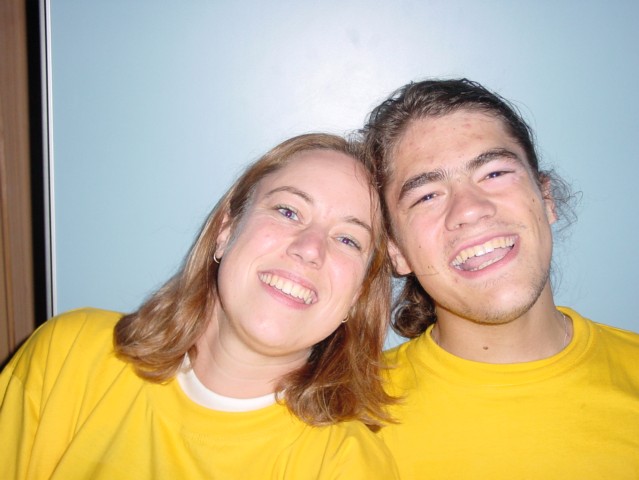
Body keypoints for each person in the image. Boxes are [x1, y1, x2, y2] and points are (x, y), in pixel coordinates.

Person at [0, 133, 399, 479]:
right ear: (226, 229)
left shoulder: (348, 465)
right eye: (288, 211)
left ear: (358, 296)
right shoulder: (69, 355)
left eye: (348, 239)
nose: (310, 249)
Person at [362, 79, 639, 479]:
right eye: (427, 196)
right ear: (396, 251)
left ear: (546, 199)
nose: (470, 209)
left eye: (493, 173)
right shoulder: (351, 419)